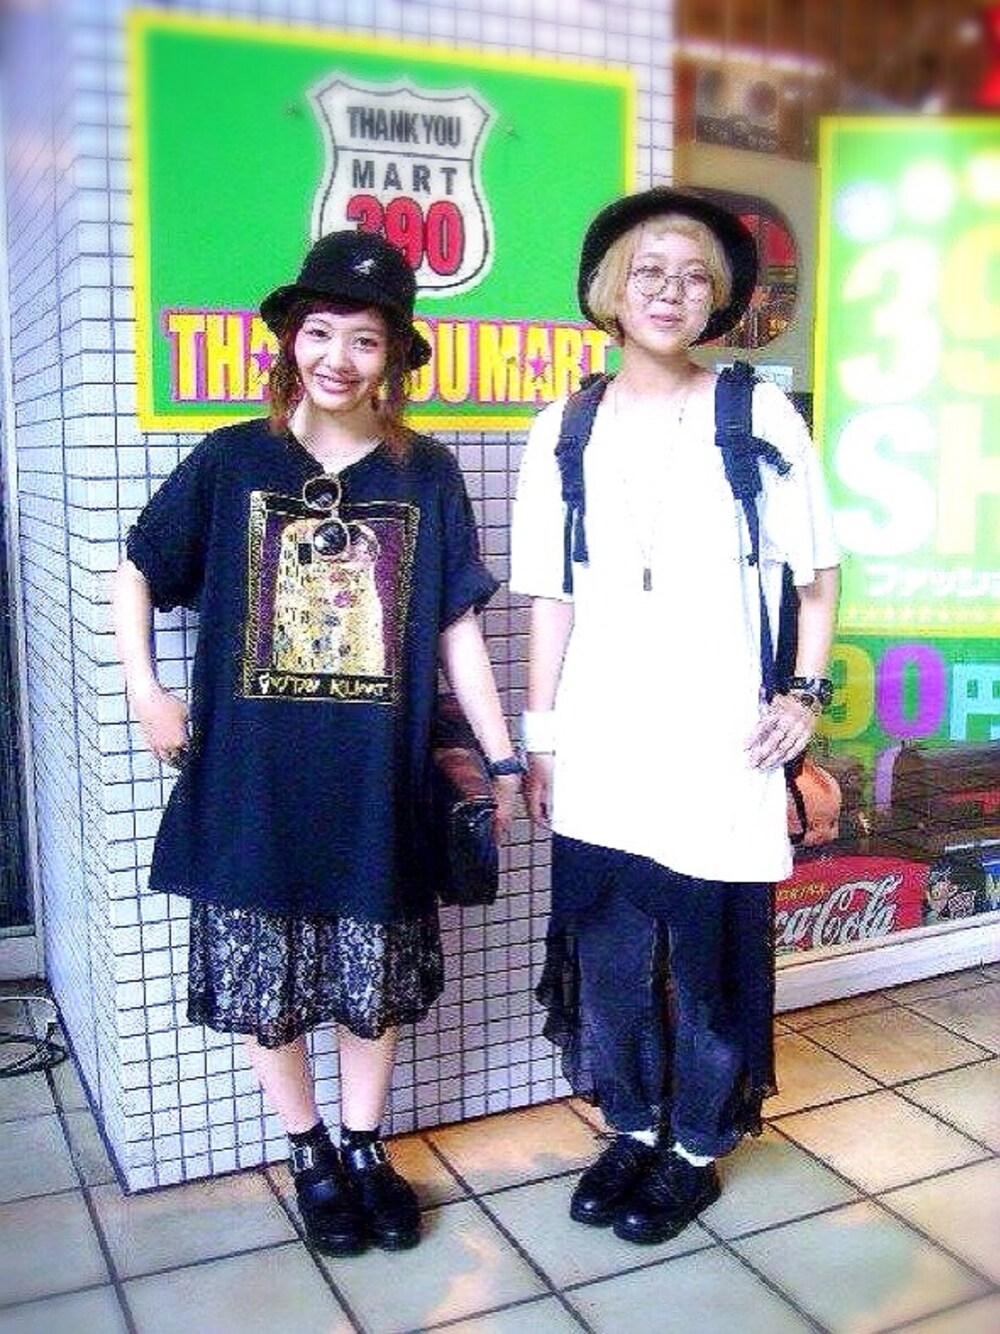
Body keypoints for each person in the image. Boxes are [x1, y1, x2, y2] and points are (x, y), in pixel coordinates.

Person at [112, 230, 522, 1257]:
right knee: (270, 984)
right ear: (291, 339)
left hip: (374, 781)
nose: (339, 357)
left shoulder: (424, 472)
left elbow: (455, 626)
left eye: (366, 339)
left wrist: (502, 754)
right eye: (321, 332)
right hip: (251, 778)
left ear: (394, 358)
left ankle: (366, 1145)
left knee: (369, 981)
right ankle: (308, 1154)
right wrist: (146, 691)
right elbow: (138, 567)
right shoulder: (232, 459)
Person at [509, 187, 840, 1245]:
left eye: (696, 277)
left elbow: (817, 577)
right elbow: (550, 597)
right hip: (602, 738)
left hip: (717, 739)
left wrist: (802, 697)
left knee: (708, 958)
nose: (670, 291)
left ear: (718, 302)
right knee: (609, 954)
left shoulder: (756, 414)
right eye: (649, 270)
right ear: (610, 289)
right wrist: (539, 742)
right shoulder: (562, 426)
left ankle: (694, 1144)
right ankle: (631, 1124)